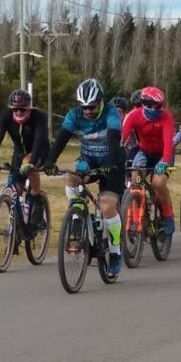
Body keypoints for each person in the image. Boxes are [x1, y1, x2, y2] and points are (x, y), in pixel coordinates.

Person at [44, 78, 126, 276]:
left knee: (106, 207)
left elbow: (114, 140)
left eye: (92, 106)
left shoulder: (111, 113)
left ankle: (115, 252)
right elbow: (61, 138)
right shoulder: (74, 115)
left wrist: (110, 163)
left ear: (101, 101)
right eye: (84, 107)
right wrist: (49, 161)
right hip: (88, 159)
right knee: (70, 176)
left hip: (112, 162)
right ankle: (77, 213)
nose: (88, 111)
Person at [0, 89, 49, 228]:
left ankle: (37, 198)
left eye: (22, 109)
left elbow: (39, 140)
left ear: (29, 108)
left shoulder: (39, 117)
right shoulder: (6, 116)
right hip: (19, 151)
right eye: (16, 109)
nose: (19, 112)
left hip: (39, 150)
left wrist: (31, 163)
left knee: (28, 163)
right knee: (16, 188)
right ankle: (17, 226)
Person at [121, 86, 177, 238]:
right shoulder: (134, 116)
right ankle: (134, 217)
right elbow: (122, 139)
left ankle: (167, 215)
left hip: (163, 154)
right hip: (144, 152)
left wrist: (164, 162)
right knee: (135, 179)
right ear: (145, 105)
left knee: (158, 183)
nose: (159, 109)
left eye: (161, 106)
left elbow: (168, 143)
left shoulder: (166, 117)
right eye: (155, 106)